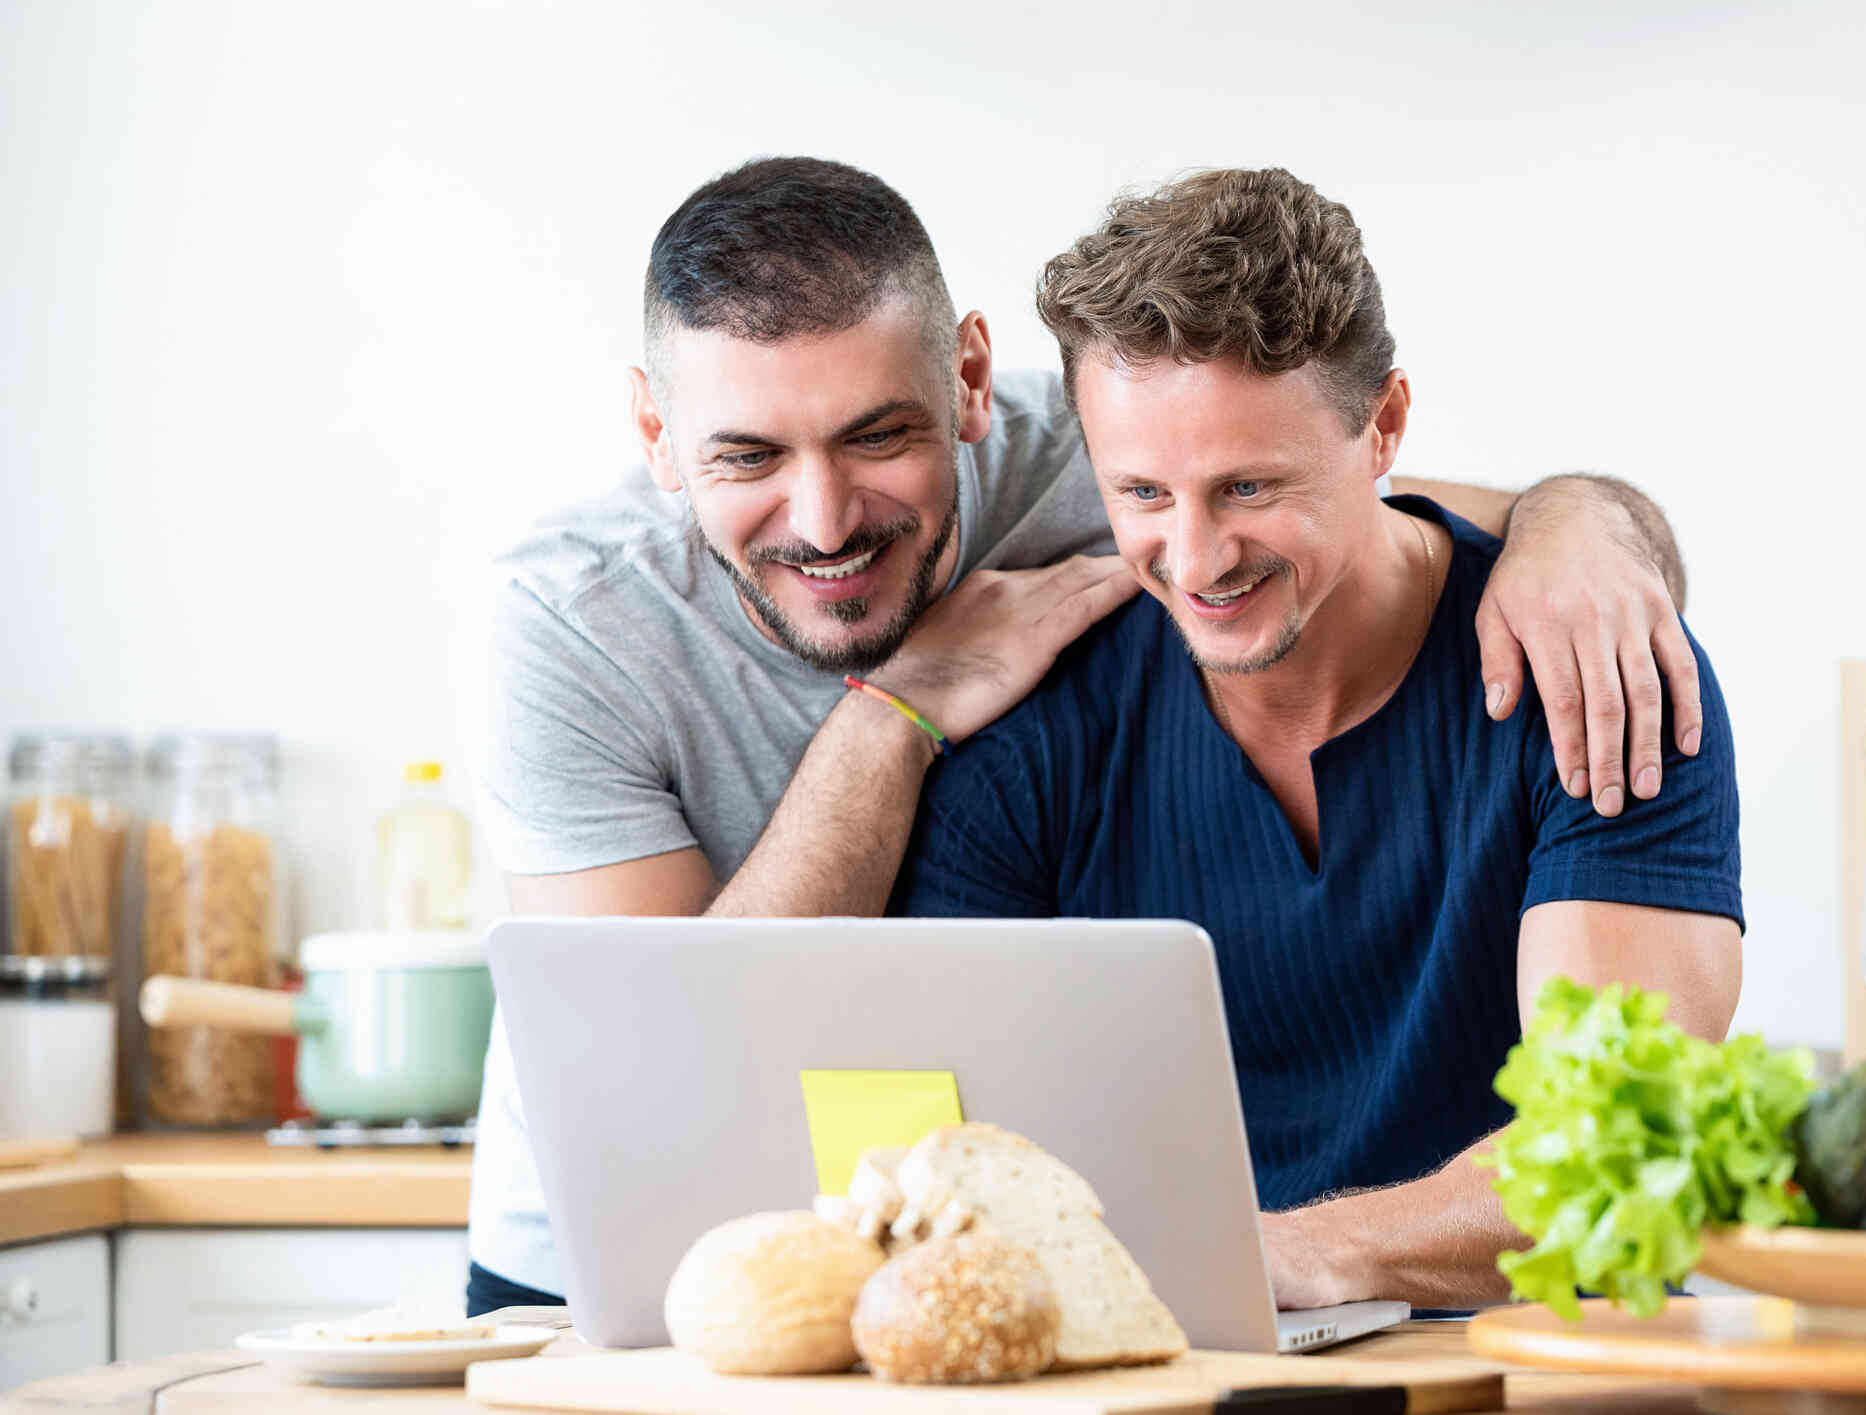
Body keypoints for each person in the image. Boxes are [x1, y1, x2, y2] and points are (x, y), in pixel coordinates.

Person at [468, 156, 1706, 1315]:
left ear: (966, 384)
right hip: (607, 1241)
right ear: (655, 435)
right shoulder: (574, 625)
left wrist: (1581, 530)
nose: (825, 514)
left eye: (877, 436)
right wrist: (893, 713)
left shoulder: (1118, 435)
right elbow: (669, 1087)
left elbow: (1398, 514)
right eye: (747, 453)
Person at [891, 167, 1743, 1311]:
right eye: (1140, 492)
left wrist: (1279, 1257)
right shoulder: (1031, 732)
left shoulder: (1594, 673)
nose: (1192, 562)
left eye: (1247, 487)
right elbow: (926, 1147)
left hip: (1534, 1373)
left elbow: (1611, 1154)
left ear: (1383, 424)